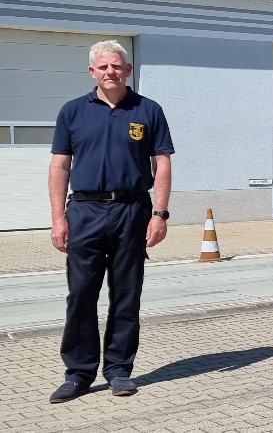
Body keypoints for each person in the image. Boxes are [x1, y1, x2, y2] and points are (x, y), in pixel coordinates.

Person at [47, 40, 174, 403]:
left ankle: (119, 369)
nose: (110, 72)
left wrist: (160, 214)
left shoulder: (148, 110)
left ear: (128, 70)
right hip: (84, 212)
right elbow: (59, 165)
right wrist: (58, 218)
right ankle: (79, 373)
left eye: (116, 66)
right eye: (102, 67)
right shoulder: (72, 112)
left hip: (131, 211)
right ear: (92, 72)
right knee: (81, 296)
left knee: (126, 295)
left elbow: (161, 163)